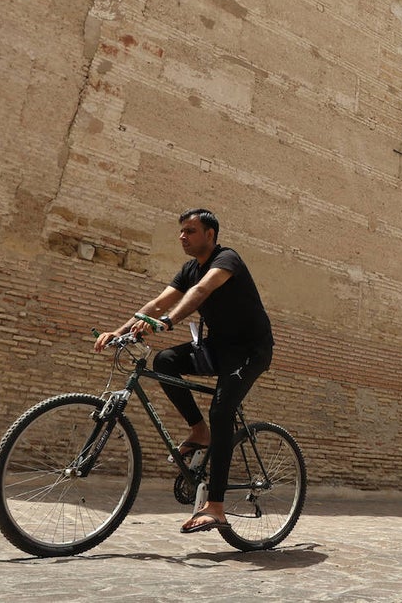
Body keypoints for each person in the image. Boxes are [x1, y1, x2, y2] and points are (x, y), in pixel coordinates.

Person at [94, 208, 273, 534]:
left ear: (210, 235)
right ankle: (198, 431)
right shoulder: (189, 269)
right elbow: (157, 303)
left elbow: (201, 291)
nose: (182, 237)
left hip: (250, 352)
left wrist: (168, 322)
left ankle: (215, 506)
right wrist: (119, 332)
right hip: (218, 349)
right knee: (164, 361)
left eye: (190, 231)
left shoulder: (227, 259)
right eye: (181, 231)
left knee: (222, 412)